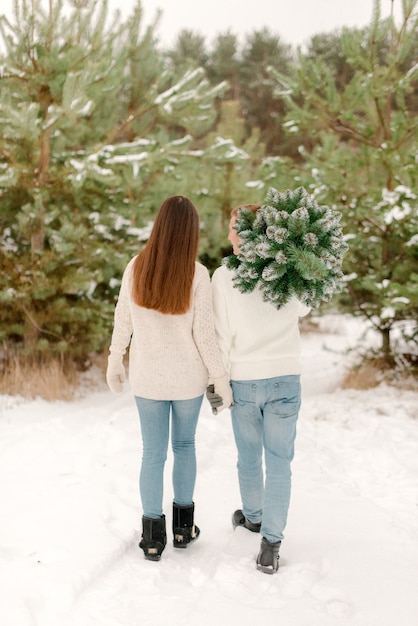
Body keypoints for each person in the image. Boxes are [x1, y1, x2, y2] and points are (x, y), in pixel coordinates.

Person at [106, 195, 233, 562]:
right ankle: (182, 528)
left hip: (148, 378)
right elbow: (204, 335)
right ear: (190, 232)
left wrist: (116, 358)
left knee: (152, 453)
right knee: (184, 447)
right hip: (187, 380)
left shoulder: (136, 267)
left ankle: (151, 536)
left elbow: (122, 319)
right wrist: (220, 377)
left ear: (159, 225)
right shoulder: (197, 273)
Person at [209, 203, 310, 574]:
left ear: (248, 233)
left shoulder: (224, 276)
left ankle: (253, 517)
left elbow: (219, 335)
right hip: (286, 375)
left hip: (245, 379)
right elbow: (303, 309)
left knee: (250, 456)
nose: (231, 234)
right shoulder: (286, 268)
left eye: (236, 227)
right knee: (280, 461)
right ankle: (271, 544)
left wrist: (216, 382)